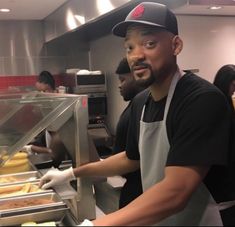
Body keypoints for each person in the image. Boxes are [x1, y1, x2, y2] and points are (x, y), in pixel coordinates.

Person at [40, 2, 235, 226]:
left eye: (149, 43)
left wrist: (97, 225)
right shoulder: (141, 102)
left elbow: (176, 192)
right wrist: (71, 174)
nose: (136, 56)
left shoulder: (201, 100)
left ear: (176, 45)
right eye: (129, 47)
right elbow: (130, 159)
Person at [112, 57, 144, 208]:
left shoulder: (142, 105)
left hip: (141, 189)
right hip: (132, 186)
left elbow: (132, 158)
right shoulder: (135, 103)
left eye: (123, 80)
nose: (119, 86)